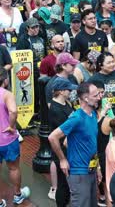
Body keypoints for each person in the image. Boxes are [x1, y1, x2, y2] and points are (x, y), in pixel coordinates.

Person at [48, 82, 102, 207]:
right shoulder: (77, 118)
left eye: (99, 93)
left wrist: (97, 167)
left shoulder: (93, 114)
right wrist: (62, 160)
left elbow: (69, 141)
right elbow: (52, 137)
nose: (99, 97)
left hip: (91, 170)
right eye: (95, 95)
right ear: (85, 98)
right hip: (79, 173)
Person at [0, 67, 30, 206]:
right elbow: (13, 111)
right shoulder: (6, 94)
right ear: (5, 80)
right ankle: (18, 195)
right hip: (7, 139)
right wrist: (11, 126)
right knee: (13, 168)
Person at [48, 78, 77, 206]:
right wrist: (62, 158)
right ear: (60, 91)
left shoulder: (66, 103)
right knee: (63, 184)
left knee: (66, 184)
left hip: (69, 149)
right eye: (68, 89)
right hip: (62, 150)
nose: (71, 91)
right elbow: (64, 133)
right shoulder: (56, 110)